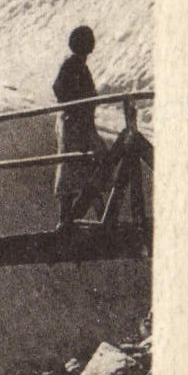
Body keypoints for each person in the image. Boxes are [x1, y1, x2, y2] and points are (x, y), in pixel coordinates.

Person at [52, 25, 106, 227]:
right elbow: (59, 89)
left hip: (80, 125)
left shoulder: (77, 65)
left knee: (84, 167)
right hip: (76, 126)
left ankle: (98, 215)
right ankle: (72, 218)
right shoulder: (73, 65)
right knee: (80, 166)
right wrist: (75, 109)